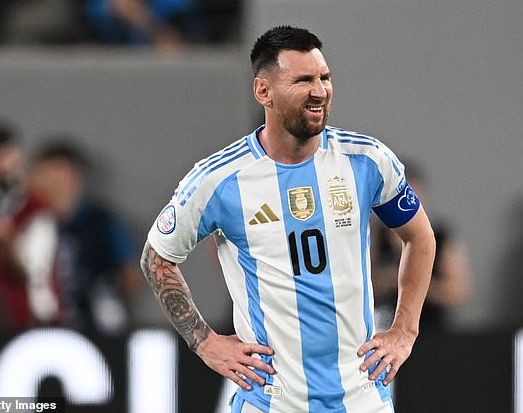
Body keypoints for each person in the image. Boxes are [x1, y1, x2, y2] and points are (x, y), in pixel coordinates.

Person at [140, 25, 436, 412]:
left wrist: (404, 331)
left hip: (362, 397)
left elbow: (420, 238)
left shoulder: (367, 160)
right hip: (271, 401)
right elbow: (156, 257)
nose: (320, 91)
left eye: (324, 77)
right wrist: (204, 341)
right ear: (264, 91)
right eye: (303, 80)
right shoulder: (219, 179)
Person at [29, 140, 142, 334]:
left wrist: (105, 287)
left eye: (58, 175)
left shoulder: (102, 221)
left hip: (95, 326)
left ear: (74, 176)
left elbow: (131, 274)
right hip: (39, 325)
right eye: (45, 175)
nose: (51, 184)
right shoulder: (30, 223)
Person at [0, 121, 60, 331]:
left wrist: (8, 240)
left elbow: (33, 272)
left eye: (3, 157)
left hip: (27, 322)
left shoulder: (35, 209)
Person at [371, 160, 471, 332]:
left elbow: (458, 291)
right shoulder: (376, 235)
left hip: (430, 331)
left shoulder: (440, 236)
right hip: (384, 328)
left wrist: (413, 282)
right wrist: (384, 280)